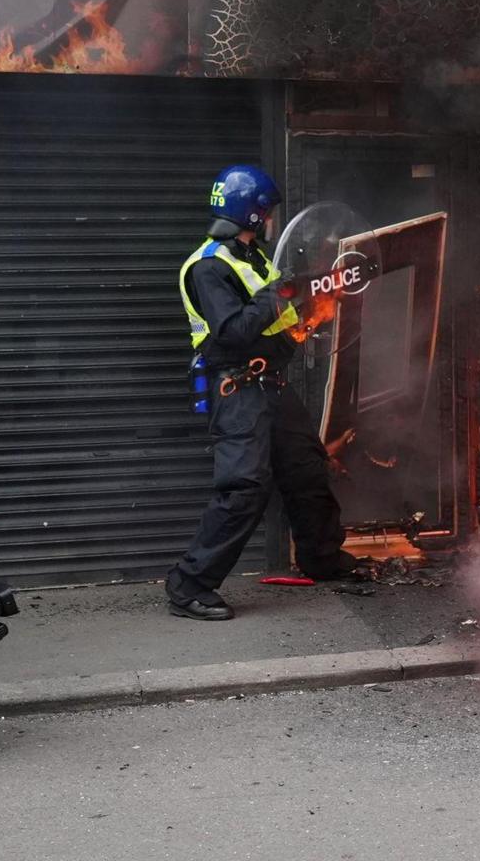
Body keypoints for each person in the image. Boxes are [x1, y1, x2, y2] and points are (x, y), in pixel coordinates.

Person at [165, 164, 360, 621]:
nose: (272, 220)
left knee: (307, 471)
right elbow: (233, 330)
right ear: (251, 214)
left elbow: (278, 320)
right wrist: (279, 294)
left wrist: (314, 308)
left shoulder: (255, 260)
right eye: (267, 212)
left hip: (273, 383)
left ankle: (322, 560)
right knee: (245, 487)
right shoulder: (209, 266)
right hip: (238, 389)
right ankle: (189, 585)